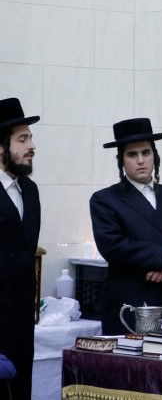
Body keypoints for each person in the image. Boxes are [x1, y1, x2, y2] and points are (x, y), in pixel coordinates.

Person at [90, 118, 162, 335]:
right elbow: (113, 246)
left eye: (146, 152)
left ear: (155, 157)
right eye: (132, 155)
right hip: (128, 302)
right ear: (121, 161)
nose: (141, 160)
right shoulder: (105, 199)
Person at [0, 98, 40, 400]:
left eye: (31, 138)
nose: (32, 146)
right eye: (22, 139)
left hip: (22, 322)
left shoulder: (30, 189)